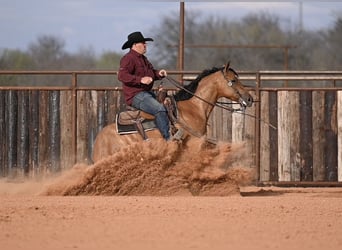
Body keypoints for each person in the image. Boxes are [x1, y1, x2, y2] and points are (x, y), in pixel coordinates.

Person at [118, 31, 171, 140]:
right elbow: (122, 75)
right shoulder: (128, 59)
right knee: (160, 109)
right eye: (143, 43)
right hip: (136, 96)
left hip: (146, 94)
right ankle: (167, 140)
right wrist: (140, 80)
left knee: (170, 105)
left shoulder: (143, 59)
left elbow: (151, 73)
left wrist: (159, 74)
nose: (145, 45)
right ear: (135, 45)